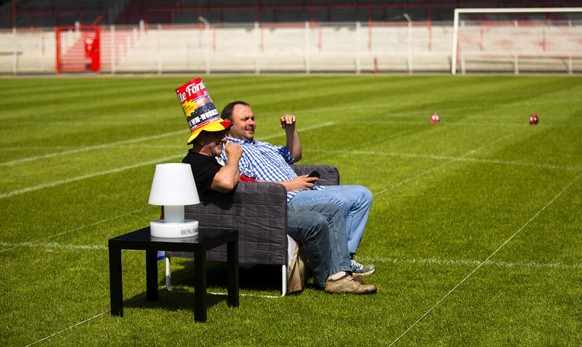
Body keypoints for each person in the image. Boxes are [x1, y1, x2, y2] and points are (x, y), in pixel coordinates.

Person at [175, 78, 376, 294]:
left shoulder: (220, 154)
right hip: (259, 212)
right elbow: (227, 182)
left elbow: (287, 158)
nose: (223, 139)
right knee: (320, 217)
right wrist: (234, 157)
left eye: (223, 133)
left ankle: (338, 274)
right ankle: (335, 277)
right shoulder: (197, 162)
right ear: (201, 138)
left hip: (267, 204)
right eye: (217, 134)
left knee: (334, 209)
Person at [220, 100, 376, 275]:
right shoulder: (231, 151)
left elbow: (294, 155)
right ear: (229, 123)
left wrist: (290, 130)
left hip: (306, 190)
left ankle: (346, 257)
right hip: (288, 197)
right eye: (245, 119)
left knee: (363, 195)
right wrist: (290, 186)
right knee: (339, 202)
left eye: (253, 118)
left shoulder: (261, 145)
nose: (251, 123)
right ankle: (340, 265)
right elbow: (248, 184)